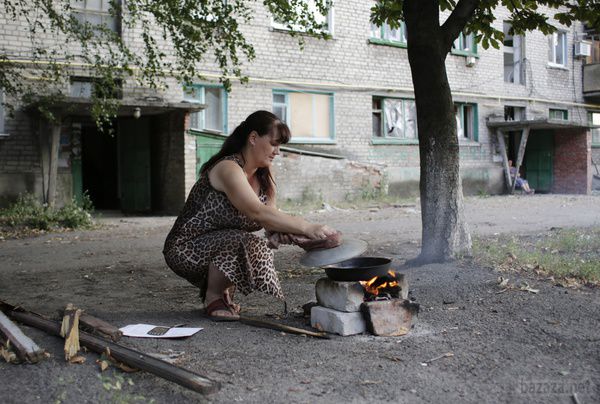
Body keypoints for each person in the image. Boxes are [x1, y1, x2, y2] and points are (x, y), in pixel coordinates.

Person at [163, 110, 336, 321]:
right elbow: (257, 212)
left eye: (280, 146)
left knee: (255, 244)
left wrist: (298, 238)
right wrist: (307, 226)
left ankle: (222, 292)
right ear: (253, 138)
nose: (277, 152)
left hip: (220, 244)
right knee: (246, 241)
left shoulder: (265, 176)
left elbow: (271, 218)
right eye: (273, 144)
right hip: (184, 249)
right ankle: (213, 296)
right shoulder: (228, 168)